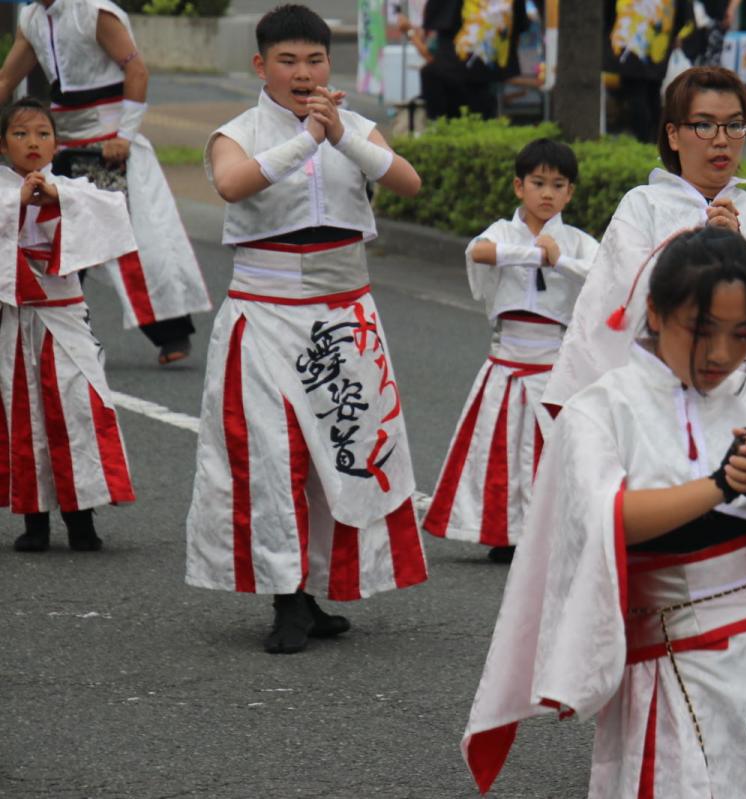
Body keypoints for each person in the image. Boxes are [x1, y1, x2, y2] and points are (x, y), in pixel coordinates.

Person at [462, 226, 746, 797]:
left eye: (740, 334)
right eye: (701, 331)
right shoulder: (601, 410)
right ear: (654, 309)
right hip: (667, 669)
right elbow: (605, 521)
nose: (722, 354)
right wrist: (719, 486)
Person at [185, 5, 427, 655]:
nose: (302, 72)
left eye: (314, 60)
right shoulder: (234, 133)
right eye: (287, 60)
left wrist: (343, 134)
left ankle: (318, 589)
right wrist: (308, 140)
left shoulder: (357, 129)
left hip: (346, 310)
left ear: (330, 64)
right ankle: (285, 597)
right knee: (274, 456)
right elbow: (234, 185)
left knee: (341, 457)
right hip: (264, 313)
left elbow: (407, 182)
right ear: (260, 65)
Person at [543, 66, 746, 426]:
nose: (721, 140)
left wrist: (744, 252)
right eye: (704, 125)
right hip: (662, 399)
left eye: (735, 125)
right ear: (673, 135)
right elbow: (620, 304)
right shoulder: (643, 206)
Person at [0, 0, 211, 366]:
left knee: (132, 240)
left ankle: (172, 334)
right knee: (57, 234)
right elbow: (6, 80)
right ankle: (64, 328)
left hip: (109, 142)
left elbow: (138, 71)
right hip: (61, 141)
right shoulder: (32, 17)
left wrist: (125, 135)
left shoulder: (95, 12)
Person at [423, 138, 598, 564]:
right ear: (519, 187)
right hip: (506, 359)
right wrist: (535, 253)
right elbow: (478, 252)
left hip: (556, 362)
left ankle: (554, 534)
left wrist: (560, 261)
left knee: (553, 451)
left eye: (558, 185)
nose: (547, 193)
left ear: (570, 193)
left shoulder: (576, 242)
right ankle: (504, 531)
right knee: (498, 450)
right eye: (538, 183)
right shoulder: (503, 232)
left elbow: (602, 277)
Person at [0, 97, 139, 552]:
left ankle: (83, 517)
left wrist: (59, 198)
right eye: (20, 134)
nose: (33, 143)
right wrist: (14, 206)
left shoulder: (73, 188)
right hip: (17, 324)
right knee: (26, 418)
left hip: (64, 318)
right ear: (3, 145)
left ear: (58, 144)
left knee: (78, 413)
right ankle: (34, 520)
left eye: (43, 134)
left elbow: (112, 213)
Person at [418, 0, 529, 120]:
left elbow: (430, 23)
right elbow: (517, 28)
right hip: (487, 73)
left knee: (444, 128)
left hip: (448, 72)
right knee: (481, 125)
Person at [605, 0, 694, 143]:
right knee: (652, 96)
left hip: (629, 48)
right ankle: (657, 140)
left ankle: (645, 141)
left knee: (637, 96)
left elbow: (608, 12)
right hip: (657, 47)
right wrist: (674, 34)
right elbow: (685, 17)